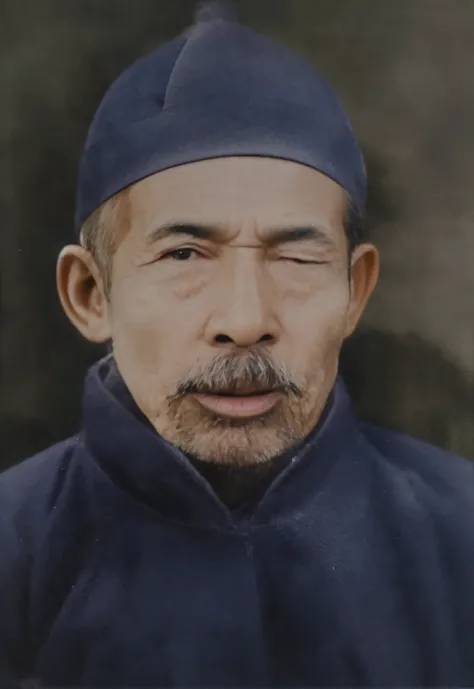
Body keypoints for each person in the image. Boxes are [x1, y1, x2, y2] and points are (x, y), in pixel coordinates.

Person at [1, 3, 473, 688]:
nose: (247, 318)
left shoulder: (460, 537)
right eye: (186, 253)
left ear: (356, 288)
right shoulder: (14, 552)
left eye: (296, 258)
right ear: (90, 293)